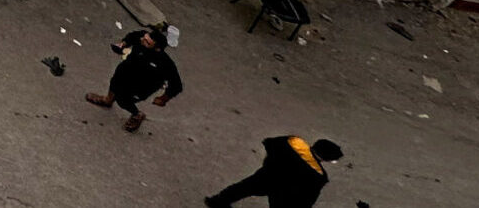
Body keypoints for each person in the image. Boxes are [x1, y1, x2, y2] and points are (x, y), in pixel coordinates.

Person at [86, 29, 181, 132]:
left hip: (142, 86)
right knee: (114, 83)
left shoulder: (165, 63)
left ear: (157, 48)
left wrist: (163, 98)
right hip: (126, 70)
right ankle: (108, 100)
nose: (142, 40)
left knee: (123, 100)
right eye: (145, 37)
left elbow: (176, 85)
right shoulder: (141, 37)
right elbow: (132, 36)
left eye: (147, 42)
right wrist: (123, 43)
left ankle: (137, 114)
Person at [206, 138, 343, 208]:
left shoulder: (294, 141)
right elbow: (307, 199)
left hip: (267, 175)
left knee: (243, 188)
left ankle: (217, 201)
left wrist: (269, 164)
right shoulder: (318, 175)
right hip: (284, 191)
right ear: (326, 159)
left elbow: (269, 143)